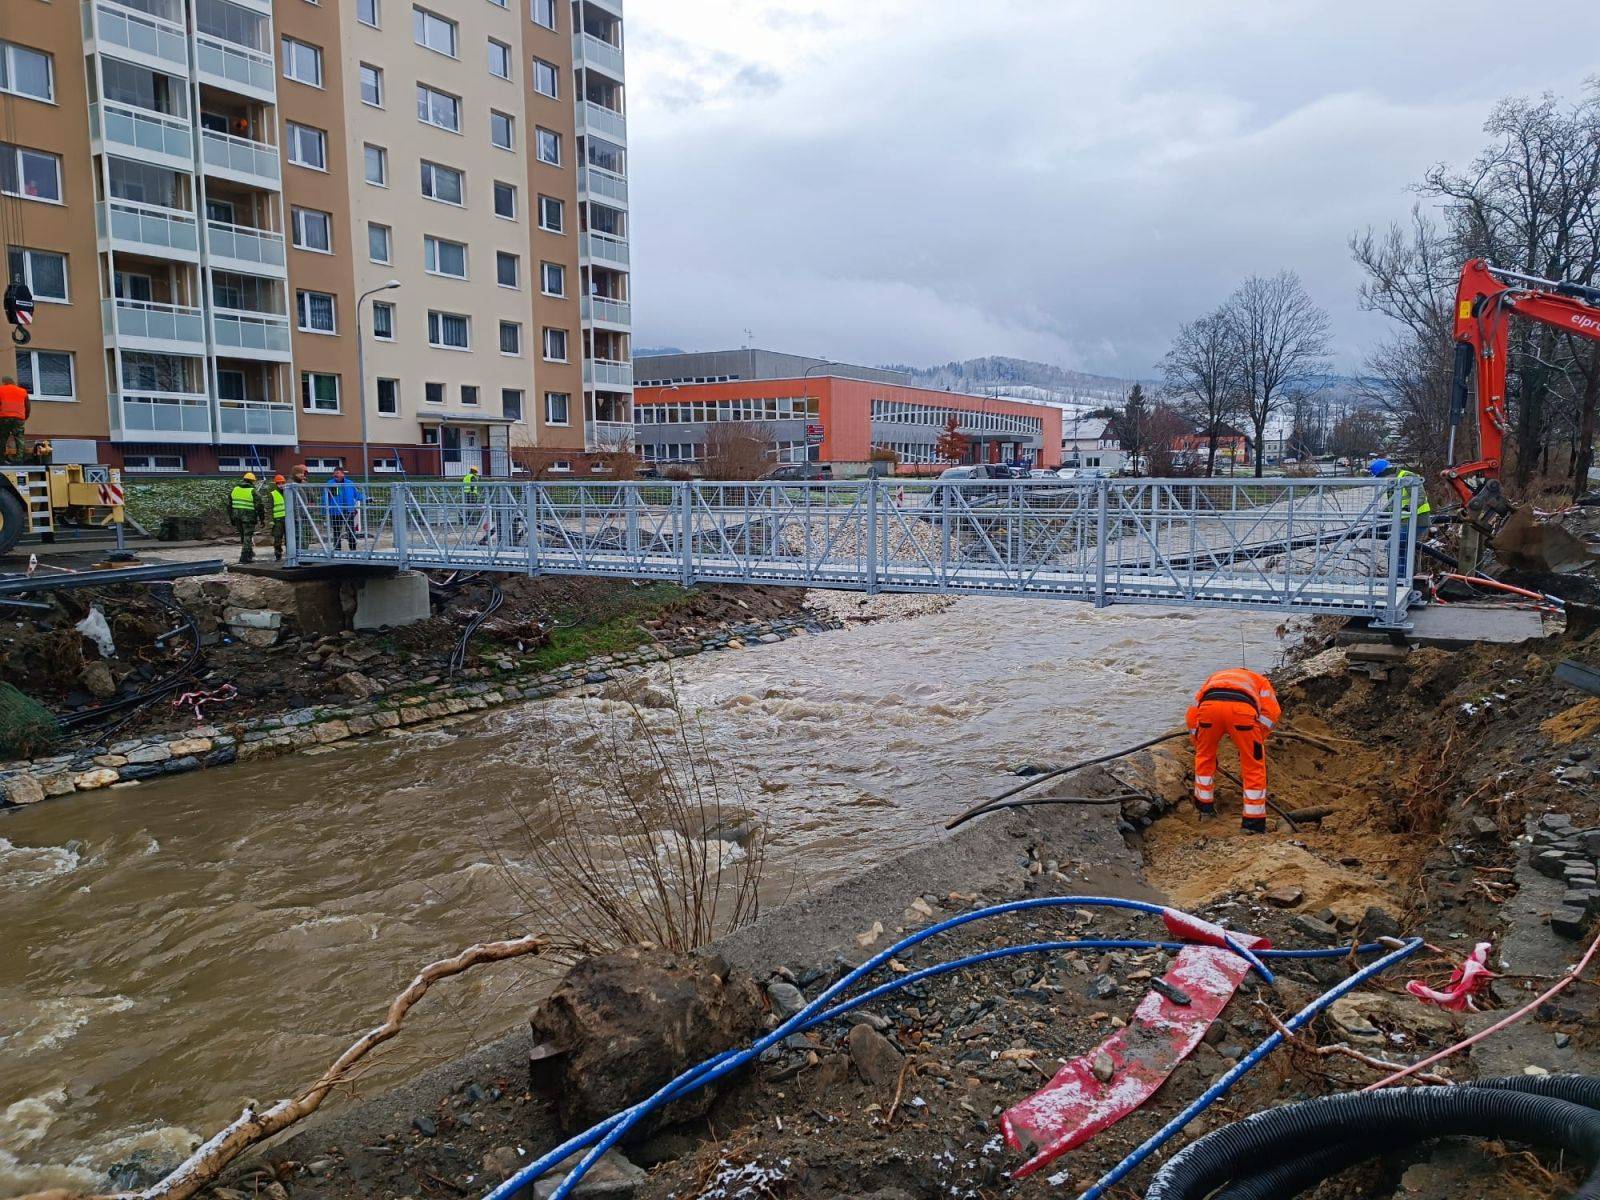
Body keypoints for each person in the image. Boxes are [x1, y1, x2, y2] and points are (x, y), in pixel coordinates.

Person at [1186, 667, 1281, 834]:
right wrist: (1257, 737)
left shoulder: (1214, 677)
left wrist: (1198, 742)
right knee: (1253, 766)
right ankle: (1253, 824)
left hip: (1209, 709)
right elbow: (1272, 713)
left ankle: (1204, 809)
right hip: (1242, 713)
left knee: (1204, 757)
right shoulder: (1261, 681)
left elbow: (1192, 713)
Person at [1369, 458, 1433, 570]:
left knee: (1393, 546)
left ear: (1386, 472)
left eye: (1380, 477)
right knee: (1401, 549)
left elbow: (1420, 496)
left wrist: (1408, 508)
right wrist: (1382, 514)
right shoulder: (1393, 481)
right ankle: (1401, 578)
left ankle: (1396, 580)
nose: (1381, 480)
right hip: (1404, 521)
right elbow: (1393, 504)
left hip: (1416, 520)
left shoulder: (1406, 477)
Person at [323, 466, 364, 551]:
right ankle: (337, 549)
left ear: (342, 474)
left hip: (348, 511)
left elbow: (357, 494)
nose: (335, 475)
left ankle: (353, 549)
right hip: (335, 512)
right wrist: (324, 511)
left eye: (337, 473)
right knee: (336, 532)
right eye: (334, 473)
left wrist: (366, 499)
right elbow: (325, 498)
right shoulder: (330, 484)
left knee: (351, 531)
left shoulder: (349, 483)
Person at [229, 471, 261, 563]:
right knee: (247, 536)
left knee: (243, 536)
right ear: (252, 481)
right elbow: (259, 506)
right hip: (248, 518)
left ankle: (249, 553)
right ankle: (244, 557)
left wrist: (231, 517)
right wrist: (262, 519)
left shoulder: (234, 489)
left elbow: (229, 505)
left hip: (237, 517)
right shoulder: (253, 491)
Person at [0, 374, 29, 464]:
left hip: (4, 417)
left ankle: (1, 458)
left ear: (4, 382)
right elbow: (27, 406)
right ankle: (19, 458)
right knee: (19, 438)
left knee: (2, 438)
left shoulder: (1, 390)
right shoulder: (23, 391)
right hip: (19, 418)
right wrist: (25, 417)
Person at [269, 474, 288, 561]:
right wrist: (271, 520)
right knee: (278, 538)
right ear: (276, 484)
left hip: (288, 519)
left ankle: (290, 554)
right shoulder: (273, 494)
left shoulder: (288, 492)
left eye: (282, 483)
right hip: (278, 520)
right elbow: (270, 508)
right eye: (279, 483)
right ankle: (278, 554)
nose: (281, 485)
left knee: (289, 538)